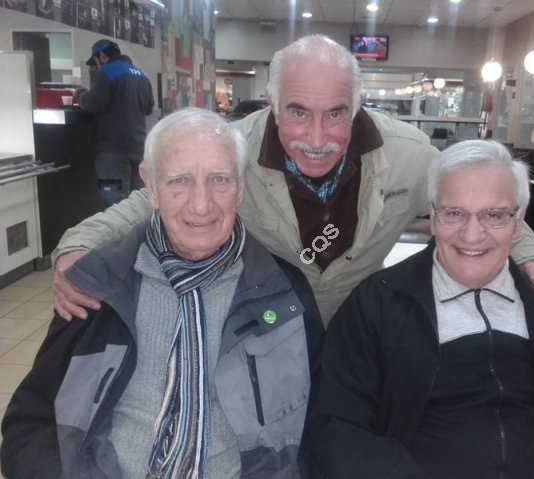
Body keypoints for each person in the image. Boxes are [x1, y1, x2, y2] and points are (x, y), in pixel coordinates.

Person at [52, 34, 534, 327]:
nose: (318, 138)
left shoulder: (410, 155)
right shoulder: (232, 149)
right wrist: (76, 247)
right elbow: (147, 204)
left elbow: (484, 202)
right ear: (272, 104)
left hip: (359, 325)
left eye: (336, 114)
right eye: (298, 113)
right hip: (265, 323)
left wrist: (529, 255)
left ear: (358, 106)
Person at [0, 108, 323, 478]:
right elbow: (29, 424)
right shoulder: (101, 286)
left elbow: (320, 428)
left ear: (240, 188)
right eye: (179, 180)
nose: (201, 204)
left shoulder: (284, 294)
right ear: (150, 187)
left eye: (219, 179)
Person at [307, 140, 534, 479]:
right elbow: (337, 425)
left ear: (518, 223)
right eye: (454, 213)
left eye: (493, 215)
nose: (472, 234)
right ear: (433, 217)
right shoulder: (375, 308)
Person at [75, 39, 155, 207]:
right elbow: (149, 108)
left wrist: (80, 93)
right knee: (137, 202)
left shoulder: (107, 72)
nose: (97, 66)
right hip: (138, 148)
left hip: (112, 151)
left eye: (96, 62)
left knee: (114, 203)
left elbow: (93, 103)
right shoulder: (142, 74)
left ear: (102, 56)